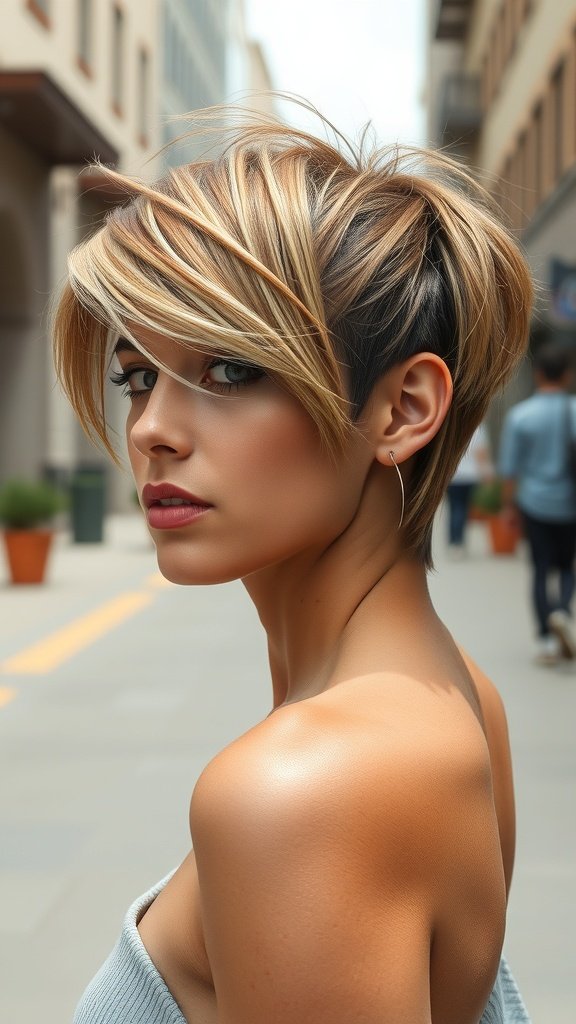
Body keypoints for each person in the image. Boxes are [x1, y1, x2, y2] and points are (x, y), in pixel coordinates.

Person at [53, 111, 533, 1024]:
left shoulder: (308, 790)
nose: (152, 426)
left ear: (402, 410)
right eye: (137, 375)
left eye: (230, 371)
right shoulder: (461, 696)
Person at [499, 342, 576, 666]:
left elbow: (509, 468)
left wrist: (509, 508)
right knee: (568, 566)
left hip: (534, 502)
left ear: (538, 373)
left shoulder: (521, 416)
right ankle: (562, 610)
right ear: (569, 376)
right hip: (570, 503)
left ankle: (545, 638)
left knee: (541, 568)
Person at [446, 422, 493, 557]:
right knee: (463, 508)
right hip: (470, 475)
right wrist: (486, 473)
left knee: (454, 508)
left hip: (452, 475)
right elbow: (481, 452)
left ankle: (453, 541)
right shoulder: (477, 426)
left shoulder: (452, 425)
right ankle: (459, 542)